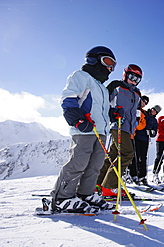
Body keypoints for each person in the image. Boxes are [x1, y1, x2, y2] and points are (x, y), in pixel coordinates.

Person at [51, 46, 117, 213]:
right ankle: (62, 198)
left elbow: (102, 110)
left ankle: (85, 194)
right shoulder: (81, 76)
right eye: (108, 62)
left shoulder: (102, 87)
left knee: (95, 165)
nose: (110, 68)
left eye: (113, 65)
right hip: (85, 128)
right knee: (78, 162)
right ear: (94, 59)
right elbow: (68, 98)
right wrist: (78, 120)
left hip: (100, 131)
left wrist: (113, 112)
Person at [96, 64, 142, 197]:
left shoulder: (137, 93)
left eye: (137, 79)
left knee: (113, 155)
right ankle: (109, 186)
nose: (134, 81)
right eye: (132, 77)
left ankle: (98, 183)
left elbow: (135, 112)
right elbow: (103, 101)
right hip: (118, 125)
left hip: (128, 128)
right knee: (127, 153)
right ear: (125, 75)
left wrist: (135, 125)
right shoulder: (116, 86)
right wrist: (112, 112)